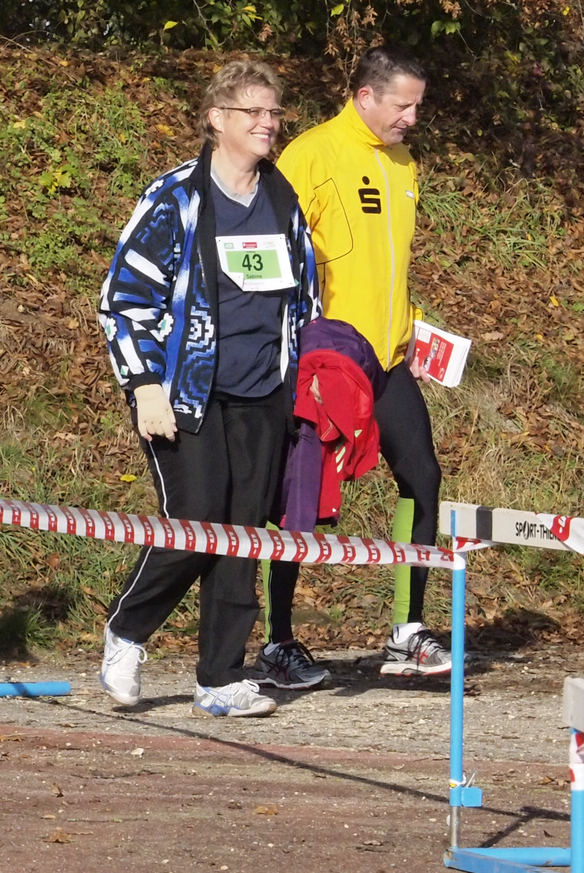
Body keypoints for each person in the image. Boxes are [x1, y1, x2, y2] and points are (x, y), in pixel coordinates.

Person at [97, 60, 320, 716]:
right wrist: (145, 386)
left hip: (264, 395)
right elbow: (123, 300)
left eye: (274, 112)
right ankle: (127, 630)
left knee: (242, 536)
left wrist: (305, 381)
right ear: (217, 118)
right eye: (253, 111)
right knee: (195, 523)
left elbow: (305, 299)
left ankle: (220, 679)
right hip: (184, 395)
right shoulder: (176, 199)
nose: (268, 123)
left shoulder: (283, 200)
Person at [265, 45, 448, 679]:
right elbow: (277, 254)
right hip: (327, 360)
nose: (412, 118)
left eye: (417, 106)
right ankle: (278, 641)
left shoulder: (402, 161)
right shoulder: (312, 154)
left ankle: (408, 631)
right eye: (403, 105)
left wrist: (411, 327)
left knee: (423, 478)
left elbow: (390, 261)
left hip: (388, 359)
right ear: (365, 96)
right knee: (299, 496)